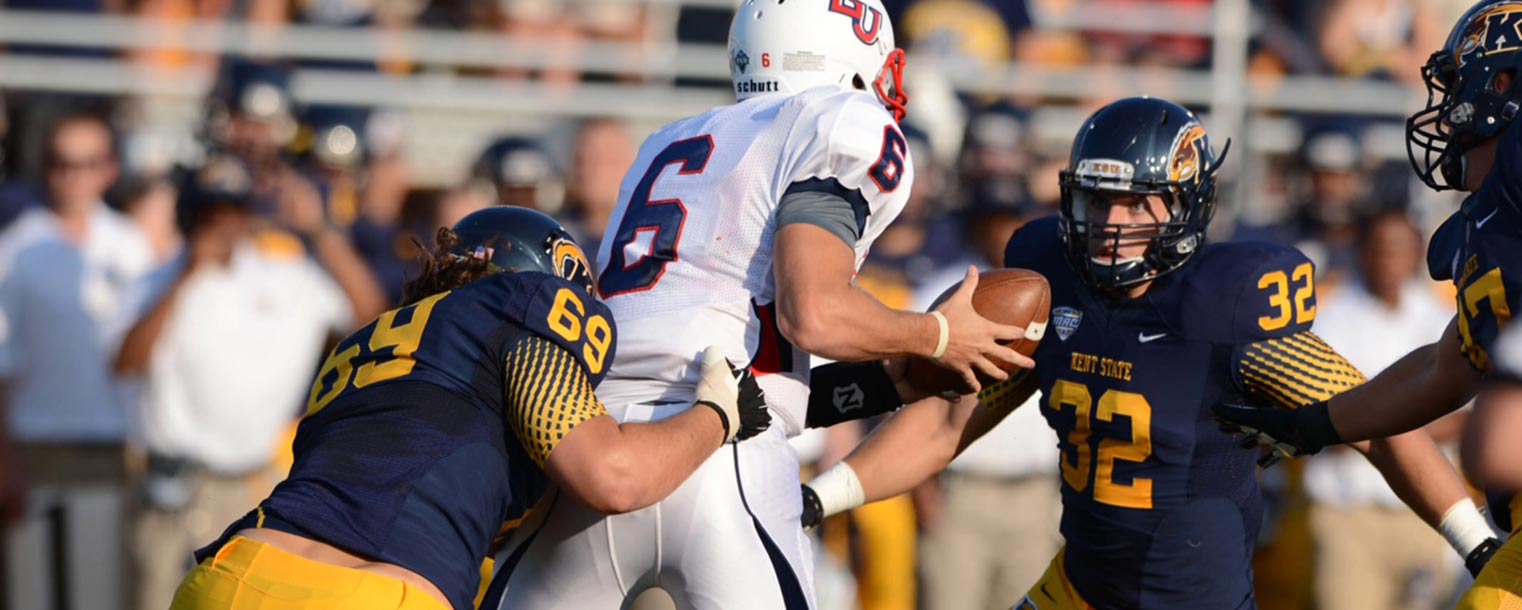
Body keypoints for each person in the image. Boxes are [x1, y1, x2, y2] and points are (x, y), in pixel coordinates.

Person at [799, 97, 1487, 610]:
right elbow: (948, 425)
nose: (1110, 224)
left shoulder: (1228, 310)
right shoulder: (1050, 288)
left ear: (1184, 206)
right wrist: (813, 500)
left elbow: (1374, 425)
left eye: (1135, 205)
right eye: (1097, 201)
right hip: (1075, 591)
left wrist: (1476, 542)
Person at [484, 0, 1027, 608]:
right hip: (726, 459)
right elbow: (812, 315)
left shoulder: (672, 141)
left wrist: (879, 382)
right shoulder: (840, 118)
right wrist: (938, 335)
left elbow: (695, 346)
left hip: (593, 442)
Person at [170, 206, 772, 610]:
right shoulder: (523, 305)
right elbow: (610, 475)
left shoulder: (366, 344)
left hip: (229, 574)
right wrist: (715, 415)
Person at [1211, 2, 1522, 605]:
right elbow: (1443, 368)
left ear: (1502, 83)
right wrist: (1319, 422)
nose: (1446, 109)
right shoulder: (1493, 222)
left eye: (1458, 83)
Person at [114, 158, 369, 610]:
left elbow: (371, 315)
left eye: (232, 213)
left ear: (249, 216)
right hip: (171, 485)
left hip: (251, 489)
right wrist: (185, 276)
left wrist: (320, 229)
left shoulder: (287, 278)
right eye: (209, 216)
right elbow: (125, 364)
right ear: (188, 220)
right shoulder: (156, 280)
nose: (223, 228)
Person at [0, 112, 153, 610]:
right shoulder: (15, 248)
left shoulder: (132, 246)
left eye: (87, 164)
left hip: (110, 448)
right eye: (62, 164)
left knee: (100, 594)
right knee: (33, 594)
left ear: (109, 169)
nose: (73, 176)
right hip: (34, 445)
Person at [1305, 210, 1462, 610]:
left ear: (1416, 255)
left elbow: (1466, 417)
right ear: (1362, 252)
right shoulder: (1328, 318)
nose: (1388, 260)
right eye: (1379, 249)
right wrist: (1413, 419)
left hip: (1428, 515)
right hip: (1348, 515)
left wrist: (1367, 419)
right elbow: (1323, 422)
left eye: (1400, 249)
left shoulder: (1442, 317)